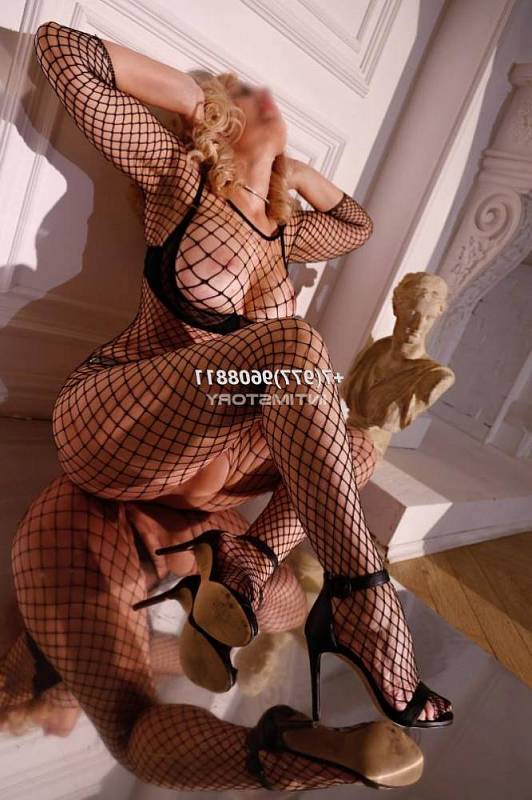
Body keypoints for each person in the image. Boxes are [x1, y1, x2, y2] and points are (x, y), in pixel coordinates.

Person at [11, 19, 452, 791]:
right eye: (244, 89)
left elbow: (357, 224)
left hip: (215, 494)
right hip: (123, 429)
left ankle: (293, 748)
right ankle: (360, 600)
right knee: (293, 346)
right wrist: (202, 109)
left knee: (353, 443)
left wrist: (294, 171)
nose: (264, 94)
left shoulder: (288, 233)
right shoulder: (179, 177)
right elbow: (61, 49)